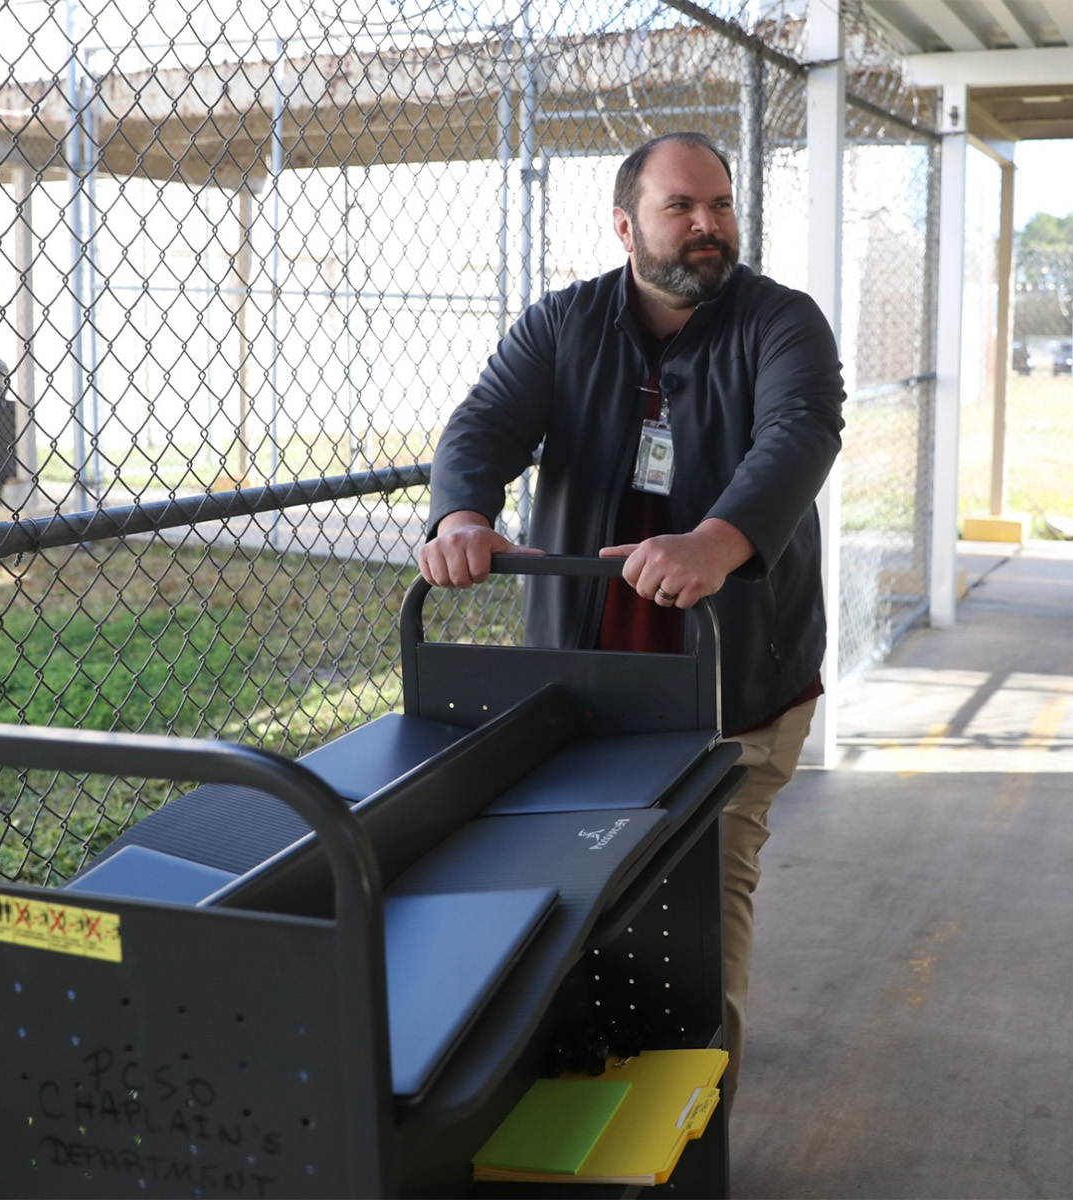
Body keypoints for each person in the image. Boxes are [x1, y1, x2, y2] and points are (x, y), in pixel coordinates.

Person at [418, 131, 844, 1110]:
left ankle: (699, 1121)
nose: (708, 226)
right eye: (681, 208)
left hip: (736, 685)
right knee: (578, 890)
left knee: (706, 897)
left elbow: (801, 431)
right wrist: (462, 513)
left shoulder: (783, 324)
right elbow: (483, 423)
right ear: (625, 226)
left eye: (721, 205)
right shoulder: (563, 325)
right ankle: (572, 1092)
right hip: (587, 688)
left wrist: (717, 540)